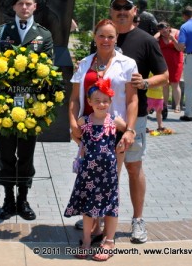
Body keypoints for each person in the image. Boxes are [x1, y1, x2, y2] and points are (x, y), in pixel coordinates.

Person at [0, 0, 53, 221]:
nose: (25, 8)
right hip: (5, 104)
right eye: (21, 4)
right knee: (6, 153)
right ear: (14, 7)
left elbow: (49, 70)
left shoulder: (43, 35)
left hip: (30, 105)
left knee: (26, 154)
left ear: (35, 7)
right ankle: (8, 199)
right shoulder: (2, 31)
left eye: (29, 4)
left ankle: (23, 199)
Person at [69, 19, 138, 236]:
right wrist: (73, 124)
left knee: (109, 182)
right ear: (94, 37)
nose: (106, 40)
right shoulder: (84, 64)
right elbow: (74, 99)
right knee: (88, 179)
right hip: (88, 131)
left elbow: (132, 100)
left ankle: (107, 235)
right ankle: (94, 227)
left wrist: (129, 129)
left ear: (117, 38)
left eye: (110, 36)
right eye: (101, 35)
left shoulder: (127, 63)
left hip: (113, 132)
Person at [109, 0, 169, 243]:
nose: (122, 11)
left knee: (133, 168)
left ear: (135, 11)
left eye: (127, 7)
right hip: (105, 117)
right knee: (105, 169)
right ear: (111, 11)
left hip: (135, 117)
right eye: (117, 7)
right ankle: (100, 215)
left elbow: (164, 75)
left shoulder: (145, 40)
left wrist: (145, 82)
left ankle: (137, 220)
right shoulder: (104, 36)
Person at [65, 79, 126, 261]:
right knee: (87, 207)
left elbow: (128, 131)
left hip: (108, 174)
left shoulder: (114, 122)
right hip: (88, 173)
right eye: (97, 100)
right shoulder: (85, 120)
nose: (101, 104)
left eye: (105, 101)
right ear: (89, 102)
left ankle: (109, 241)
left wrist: (122, 142)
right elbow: (73, 134)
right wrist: (83, 145)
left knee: (110, 206)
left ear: (110, 102)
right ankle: (86, 240)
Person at [156, 21, 183, 116]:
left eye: (165, 31)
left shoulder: (177, 33)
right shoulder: (159, 37)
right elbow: (151, 40)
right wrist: (158, 34)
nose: (164, 33)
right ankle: (165, 105)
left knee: (175, 83)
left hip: (176, 62)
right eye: (161, 31)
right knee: (165, 84)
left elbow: (180, 48)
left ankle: (178, 105)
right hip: (164, 63)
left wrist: (173, 40)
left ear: (169, 28)